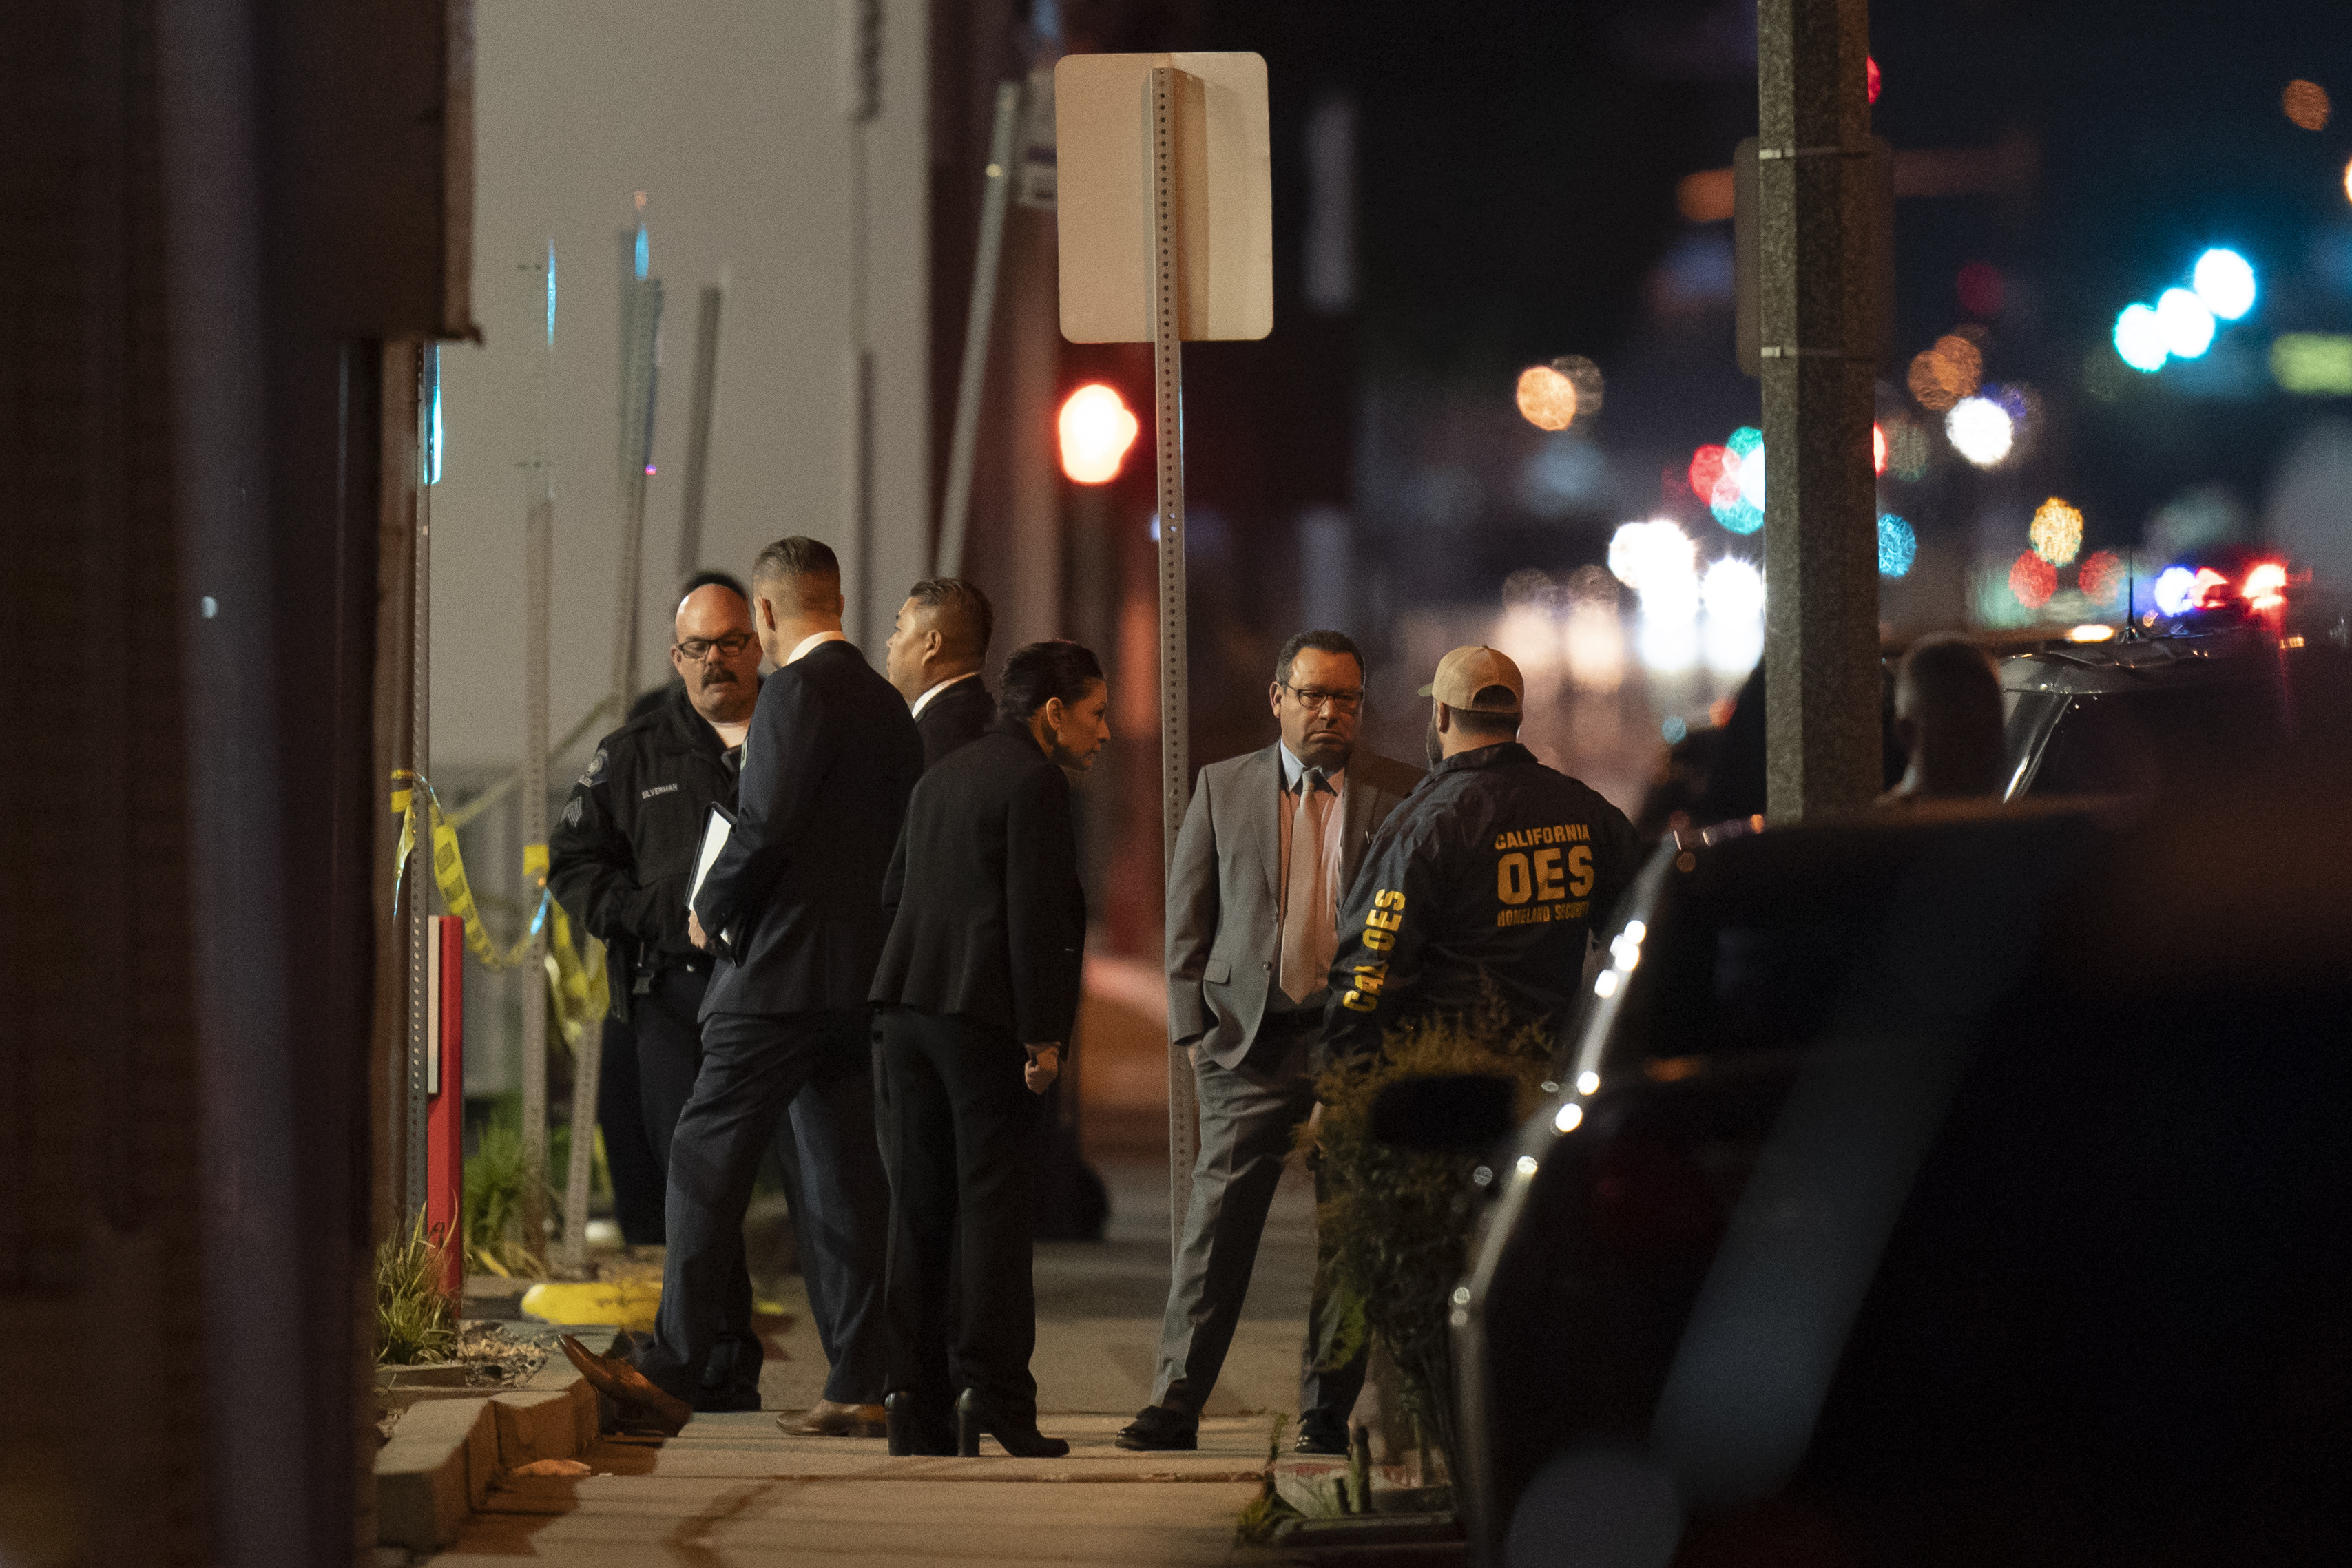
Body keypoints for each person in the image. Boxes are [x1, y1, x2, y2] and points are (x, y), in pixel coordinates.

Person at [561, 536, 923, 1439]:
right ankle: (860, 1380)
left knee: (699, 1156)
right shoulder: (888, 707)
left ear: (765, 618)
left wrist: (708, 909)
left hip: (773, 980)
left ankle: (672, 1367)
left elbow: (767, 823)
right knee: (844, 1183)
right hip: (857, 981)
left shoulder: (795, 694)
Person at [1118, 631, 1422, 1457]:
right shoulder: (1223, 788)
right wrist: (1191, 1036)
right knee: (1216, 1230)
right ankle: (1174, 1404)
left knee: (1347, 1234)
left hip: (1352, 1043)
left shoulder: (1399, 795)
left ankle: (1325, 1414)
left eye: (1347, 699)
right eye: (1315, 695)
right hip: (1246, 1043)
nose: (1330, 712)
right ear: (1277, 697)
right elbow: (1187, 919)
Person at [867, 640, 1107, 1459]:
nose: (1104, 732)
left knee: (919, 1208)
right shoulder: (1036, 784)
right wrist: (1044, 1038)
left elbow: (895, 890)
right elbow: (1036, 920)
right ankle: (996, 1394)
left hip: (906, 1010)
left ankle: (912, 1400)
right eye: (1095, 713)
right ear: (1052, 714)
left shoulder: (945, 774)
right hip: (983, 1020)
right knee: (996, 1214)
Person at [549, 582, 760, 1268]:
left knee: (813, 1176)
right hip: (672, 995)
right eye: (697, 648)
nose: (714, 660)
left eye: (730, 644)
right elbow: (574, 866)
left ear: (756, 646)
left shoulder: (796, 740)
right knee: (687, 1182)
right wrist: (661, 917)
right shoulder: (635, 753)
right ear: (676, 657)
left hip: (781, 992)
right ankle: (706, 1357)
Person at [1319, 645, 1643, 1063]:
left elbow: (1369, 965)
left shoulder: (1421, 827)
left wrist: (1341, 1077)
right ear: (1518, 720)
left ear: (1442, 714)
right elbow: (1639, 928)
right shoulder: (1590, 814)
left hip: (1455, 1085)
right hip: (1558, 1071)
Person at [1879, 633, 2007, 804]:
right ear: (1907, 734)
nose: (1979, 751)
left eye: (1990, 730)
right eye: (1958, 733)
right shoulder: (2019, 825)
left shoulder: (1878, 825)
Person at [884, 577, 997, 768]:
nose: (890, 642)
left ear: (932, 645)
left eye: (898, 629)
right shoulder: (993, 721)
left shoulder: (927, 742)